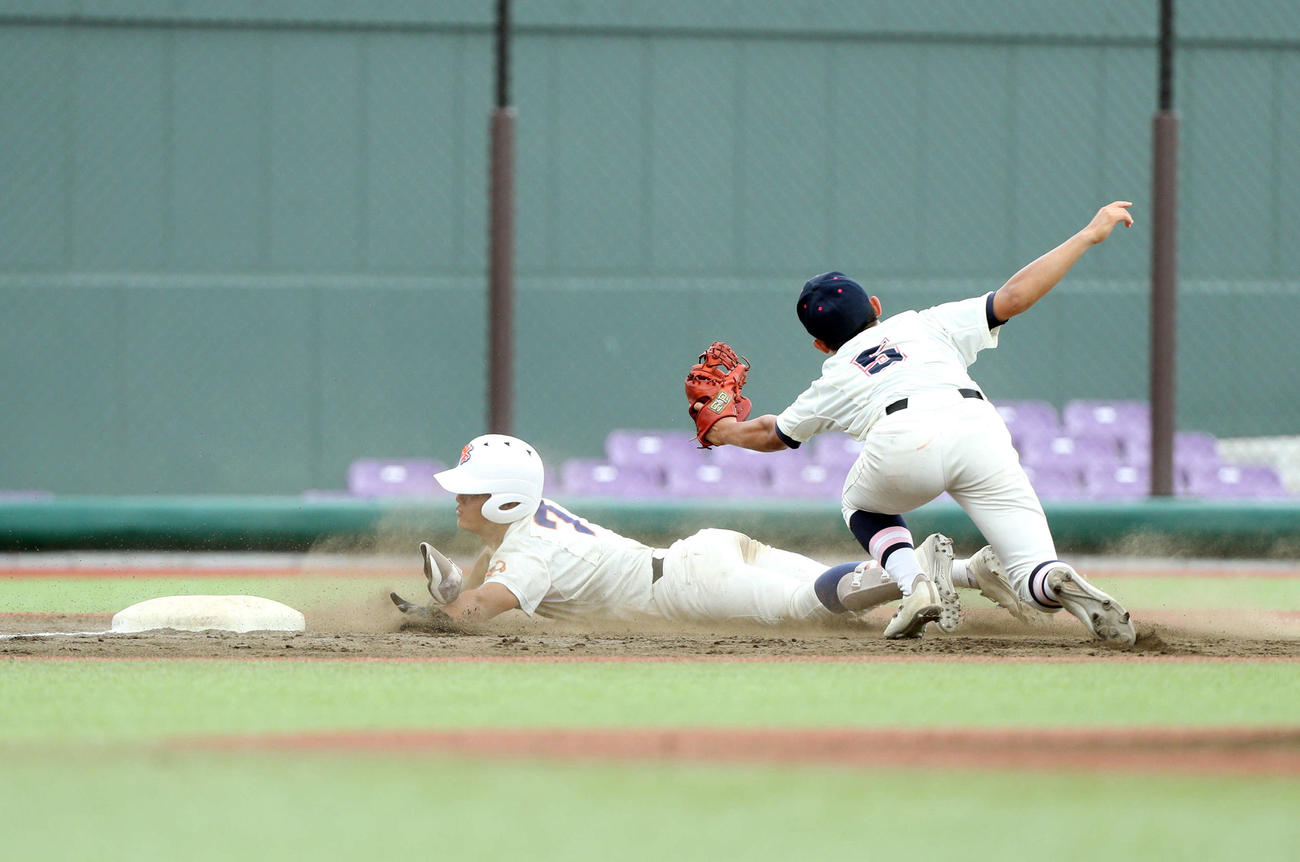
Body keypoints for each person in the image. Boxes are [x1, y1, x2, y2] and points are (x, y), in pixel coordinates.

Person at [703, 201, 1138, 645]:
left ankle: (916, 586)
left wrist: (722, 430)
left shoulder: (835, 374)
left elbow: (773, 434)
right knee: (1032, 576)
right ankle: (1050, 578)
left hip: (904, 441)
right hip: (978, 428)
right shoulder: (924, 323)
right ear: (876, 306)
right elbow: (1014, 298)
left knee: (860, 506)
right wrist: (1087, 234)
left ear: (819, 344)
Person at [389, 433, 1029, 631]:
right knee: (820, 595)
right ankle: (973, 571)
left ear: (504, 500)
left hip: (695, 584)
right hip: (705, 553)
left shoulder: (527, 552)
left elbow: (476, 611)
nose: (457, 499)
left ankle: (911, 567)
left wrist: (436, 612)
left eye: (467, 491)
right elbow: (489, 567)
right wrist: (455, 581)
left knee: (811, 608)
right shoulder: (528, 523)